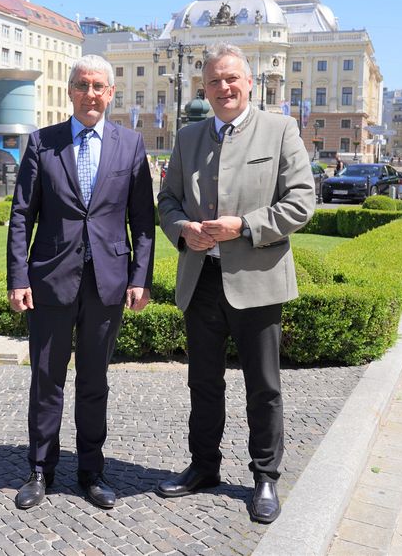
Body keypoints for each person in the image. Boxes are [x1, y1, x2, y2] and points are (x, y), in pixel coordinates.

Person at [156, 43, 315, 524]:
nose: (224, 87)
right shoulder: (188, 137)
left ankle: (265, 476)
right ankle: (203, 467)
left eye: (232, 79)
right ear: (203, 88)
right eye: (214, 81)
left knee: (263, 386)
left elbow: (301, 203)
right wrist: (182, 230)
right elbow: (167, 201)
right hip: (201, 278)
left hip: (257, 280)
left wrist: (243, 226)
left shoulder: (280, 129)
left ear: (249, 83)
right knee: (203, 383)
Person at [6, 55, 155, 511]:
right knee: (46, 378)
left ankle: (91, 470)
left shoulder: (130, 145)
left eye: (99, 87)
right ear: (69, 91)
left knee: (94, 380)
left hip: (107, 282)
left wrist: (140, 278)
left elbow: (142, 220)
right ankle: (40, 469)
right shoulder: (41, 143)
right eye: (82, 85)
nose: (91, 94)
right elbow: (20, 216)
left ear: (111, 94)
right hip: (50, 279)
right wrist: (17, 276)